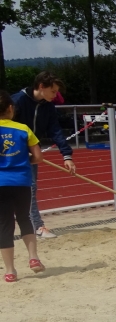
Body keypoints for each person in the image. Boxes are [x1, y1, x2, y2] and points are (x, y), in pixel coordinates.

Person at [11, 71, 76, 240]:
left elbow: (55, 130)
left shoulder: (48, 106)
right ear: (41, 86)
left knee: (30, 187)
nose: (55, 96)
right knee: (15, 188)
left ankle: (35, 225)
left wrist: (67, 155)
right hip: (11, 152)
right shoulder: (17, 101)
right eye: (53, 91)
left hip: (31, 153)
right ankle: (34, 225)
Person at [0, 89, 45, 281]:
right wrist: (25, 161)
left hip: (1, 183)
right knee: (24, 218)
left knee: (4, 224)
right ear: (11, 108)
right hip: (21, 181)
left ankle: (10, 271)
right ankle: (33, 258)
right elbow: (38, 157)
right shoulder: (23, 129)